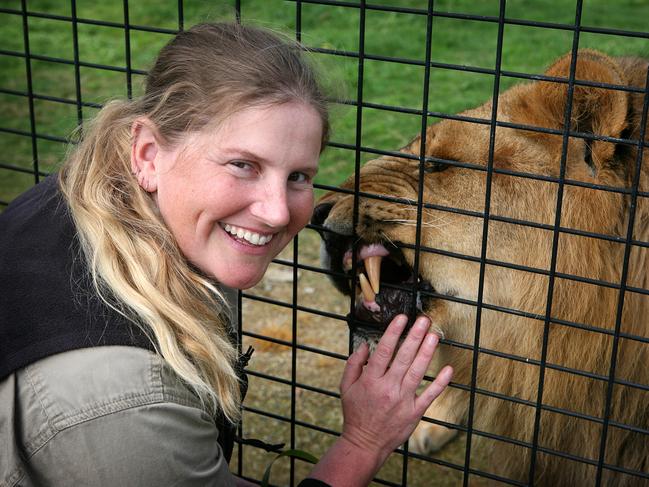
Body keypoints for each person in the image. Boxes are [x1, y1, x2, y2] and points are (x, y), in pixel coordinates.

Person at [0, 22, 453, 486]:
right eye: (243, 165)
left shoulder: (82, 197)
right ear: (148, 152)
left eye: (298, 175)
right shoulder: (129, 398)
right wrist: (364, 442)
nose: (278, 213)